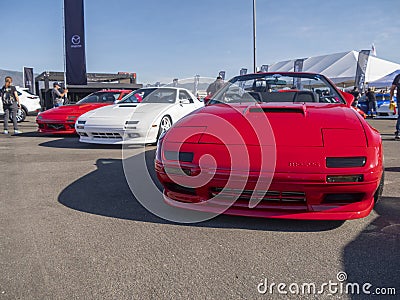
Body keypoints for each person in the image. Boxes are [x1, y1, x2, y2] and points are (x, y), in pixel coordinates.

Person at [390, 73, 400, 139]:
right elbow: (393, 88)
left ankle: (398, 132)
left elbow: (392, 88)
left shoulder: (398, 77)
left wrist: (391, 98)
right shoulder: (398, 77)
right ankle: (398, 131)